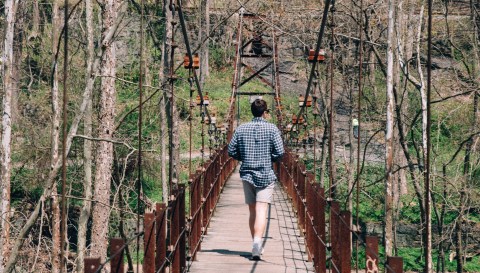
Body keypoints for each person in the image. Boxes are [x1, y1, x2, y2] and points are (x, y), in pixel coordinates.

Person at [228, 99, 285, 260]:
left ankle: (255, 244)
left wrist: (243, 157)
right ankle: (257, 244)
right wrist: (269, 158)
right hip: (266, 174)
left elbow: (231, 150)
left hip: (247, 174)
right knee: (261, 210)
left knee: (252, 210)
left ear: (252, 111)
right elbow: (280, 152)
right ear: (265, 112)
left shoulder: (241, 128)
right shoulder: (272, 128)